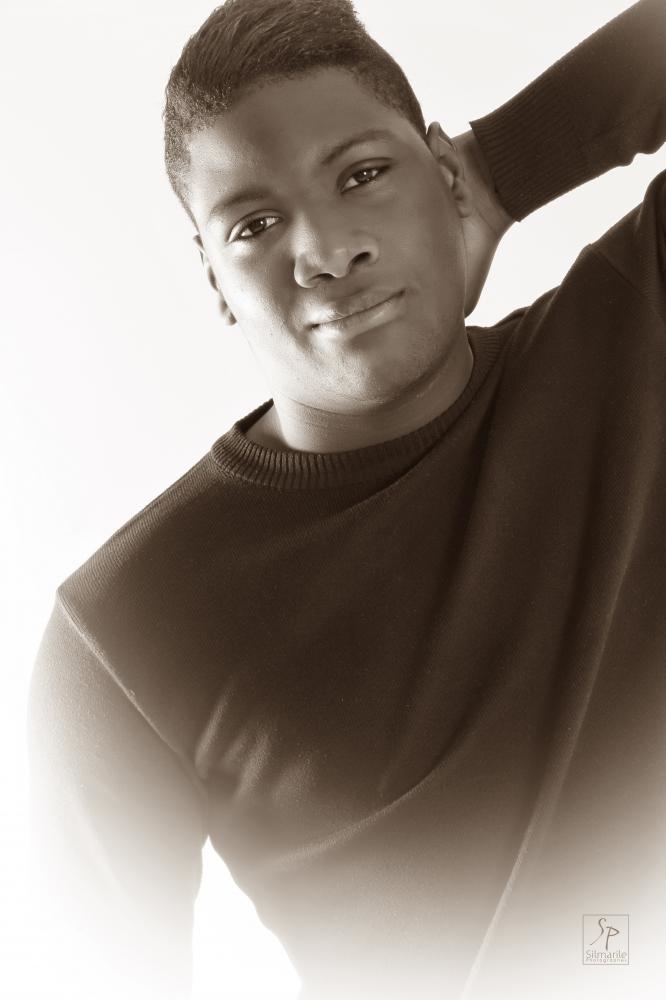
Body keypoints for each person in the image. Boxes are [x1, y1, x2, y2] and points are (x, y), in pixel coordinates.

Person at [27, 0, 666, 998]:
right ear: (214, 280)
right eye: (254, 224)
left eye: (363, 174)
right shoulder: (124, 632)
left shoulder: (634, 325)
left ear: (441, 175)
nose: (325, 249)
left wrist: (504, 169)